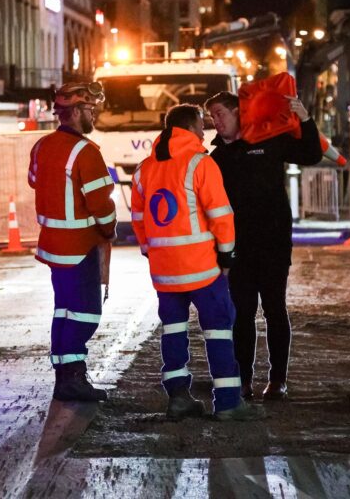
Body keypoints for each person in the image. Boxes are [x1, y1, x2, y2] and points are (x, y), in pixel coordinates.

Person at [131, 104, 264, 422]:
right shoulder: (199, 163)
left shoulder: (144, 168)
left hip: (165, 271)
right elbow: (221, 214)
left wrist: (152, 251)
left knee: (173, 331)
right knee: (218, 330)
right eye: (201, 127)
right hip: (202, 268)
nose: (205, 133)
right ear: (190, 129)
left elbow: (139, 219)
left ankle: (178, 398)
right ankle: (229, 401)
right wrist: (228, 255)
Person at [204, 91, 322, 401]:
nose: (216, 120)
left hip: (272, 245)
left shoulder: (267, 142)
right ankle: (243, 379)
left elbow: (311, 154)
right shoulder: (215, 159)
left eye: (221, 113)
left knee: (274, 310)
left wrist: (306, 119)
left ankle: (278, 379)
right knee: (241, 314)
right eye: (212, 116)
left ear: (238, 113)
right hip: (237, 250)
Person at [27, 81, 117, 403]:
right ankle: (73, 375)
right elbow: (101, 205)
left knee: (64, 310)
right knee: (86, 312)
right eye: (91, 109)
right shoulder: (87, 152)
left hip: (53, 246)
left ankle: (64, 377)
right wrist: (109, 230)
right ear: (77, 111)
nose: (94, 115)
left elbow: (35, 180)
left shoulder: (41, 146)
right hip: (80, 246)